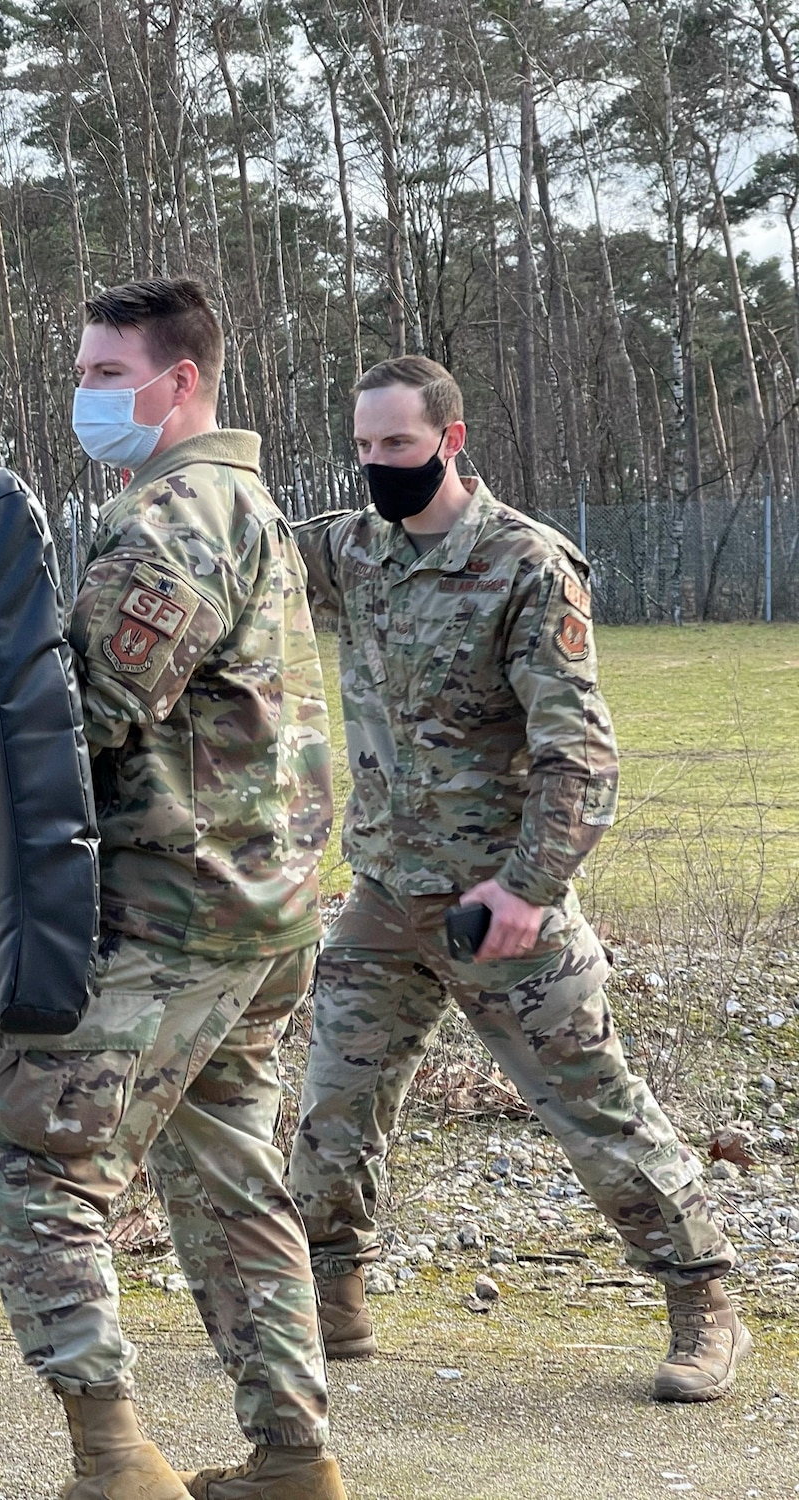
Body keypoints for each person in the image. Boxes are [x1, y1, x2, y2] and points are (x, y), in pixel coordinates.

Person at [284, 355, 745, 1402]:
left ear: (447, 441)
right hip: (383, 900)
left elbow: (578, 754)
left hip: (499, 912)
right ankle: (332, 1298)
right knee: (332, 1109)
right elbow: (242, 548)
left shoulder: (524, 565)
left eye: (394, 445)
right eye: (361, 447)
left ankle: (701, 1300)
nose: (375, 466)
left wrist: (527, 889)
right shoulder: (353, 550)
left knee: (593, 1109)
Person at [0, 279, 345, 1500]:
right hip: (261, 905)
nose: (83, 396)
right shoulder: (246, 504)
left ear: (177, 383)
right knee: (225, 1168)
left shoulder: (173, 517)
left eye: (101, 375)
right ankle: (292, 1458)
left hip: (172, 913)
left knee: (32, 1157)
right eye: (80, 373)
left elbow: (84, 717)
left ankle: (112, 1459)